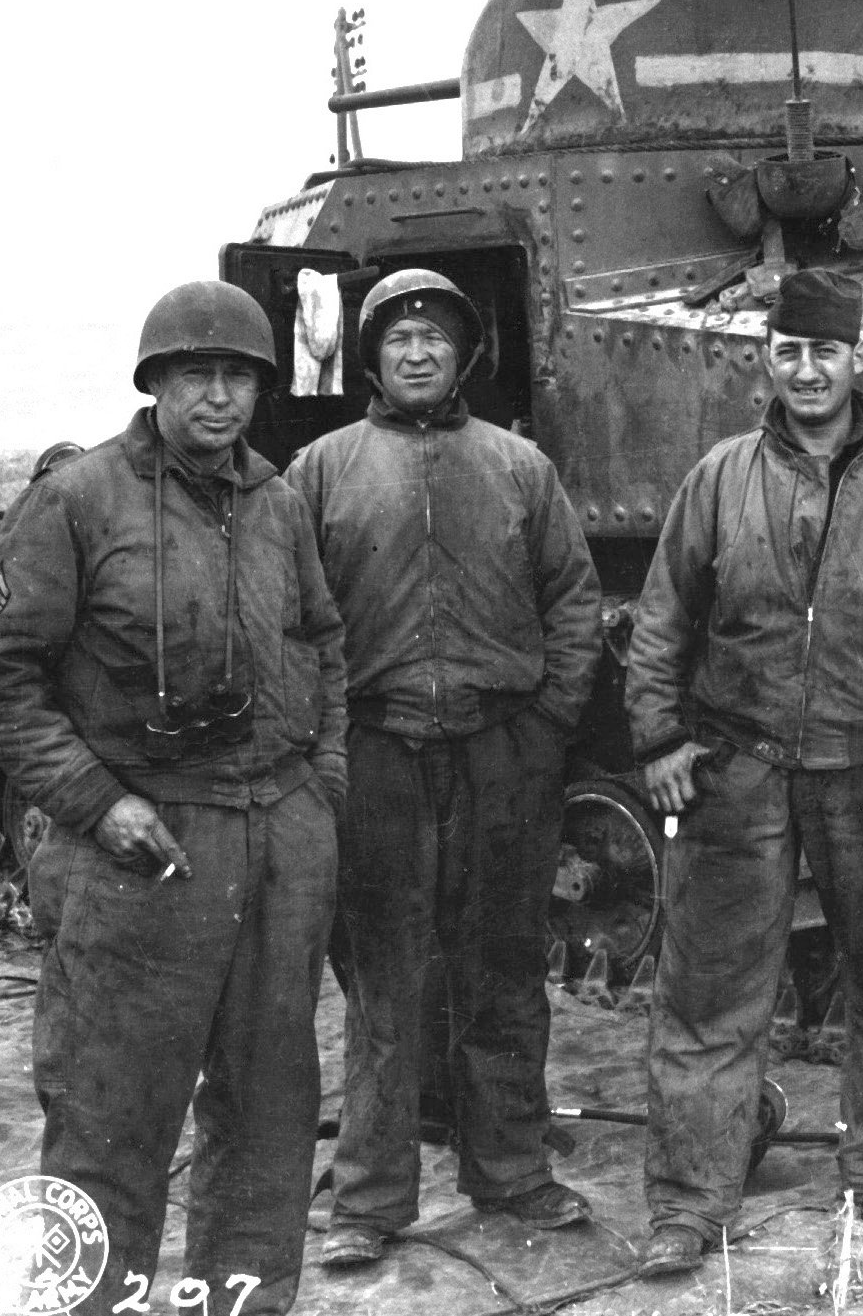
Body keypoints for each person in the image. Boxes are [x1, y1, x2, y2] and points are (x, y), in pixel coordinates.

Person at [0, 282, 347, 1315]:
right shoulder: (80, 500)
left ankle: (244, 1301)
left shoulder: (278, 501)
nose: (219, 397)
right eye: (196, 375)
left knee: (269, 1108)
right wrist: (96, 800)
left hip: (276, 844)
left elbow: (323, 642)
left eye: (238, 377)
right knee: (110, 1114)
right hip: (142, 849)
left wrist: (322, 793)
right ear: (155, 382)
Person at [625, 267, 863, 1275]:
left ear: (855, 357)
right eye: (789, 349)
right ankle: (692, 1200)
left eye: (825, 350)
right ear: (766, 357)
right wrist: (658, 740)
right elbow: (660, 620)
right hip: (740, 771)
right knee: (710, 996)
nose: (807, 369)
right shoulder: (720, 477)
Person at [287, 269, 603, 1269]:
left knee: (505, 967)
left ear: (464, 353)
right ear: (371, 356)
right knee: (384, 980)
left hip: (500, 754)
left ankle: (510, 1170)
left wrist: (545, 725)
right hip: (375, 753)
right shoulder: (323, 469)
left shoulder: (519, 466)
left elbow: (574, 602)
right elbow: (288, 615)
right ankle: (372, 1200)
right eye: (398, 336)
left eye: (435, 334)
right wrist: (325, 740)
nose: (417, 349)